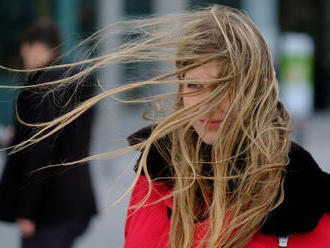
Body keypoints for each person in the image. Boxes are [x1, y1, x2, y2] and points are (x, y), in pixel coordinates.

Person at [1, 4, 329, 248]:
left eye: (225, 87)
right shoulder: (153, 181)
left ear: (254, 89)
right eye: (195, 87)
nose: (209, 106)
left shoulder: (308, 203)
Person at [0, 21, 97, 248]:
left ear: (34, 47)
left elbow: (40, 153)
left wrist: (27, 212)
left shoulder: (45, 86)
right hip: (75, 200)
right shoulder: (73, 81)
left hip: (48, 211)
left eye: (24, 53)